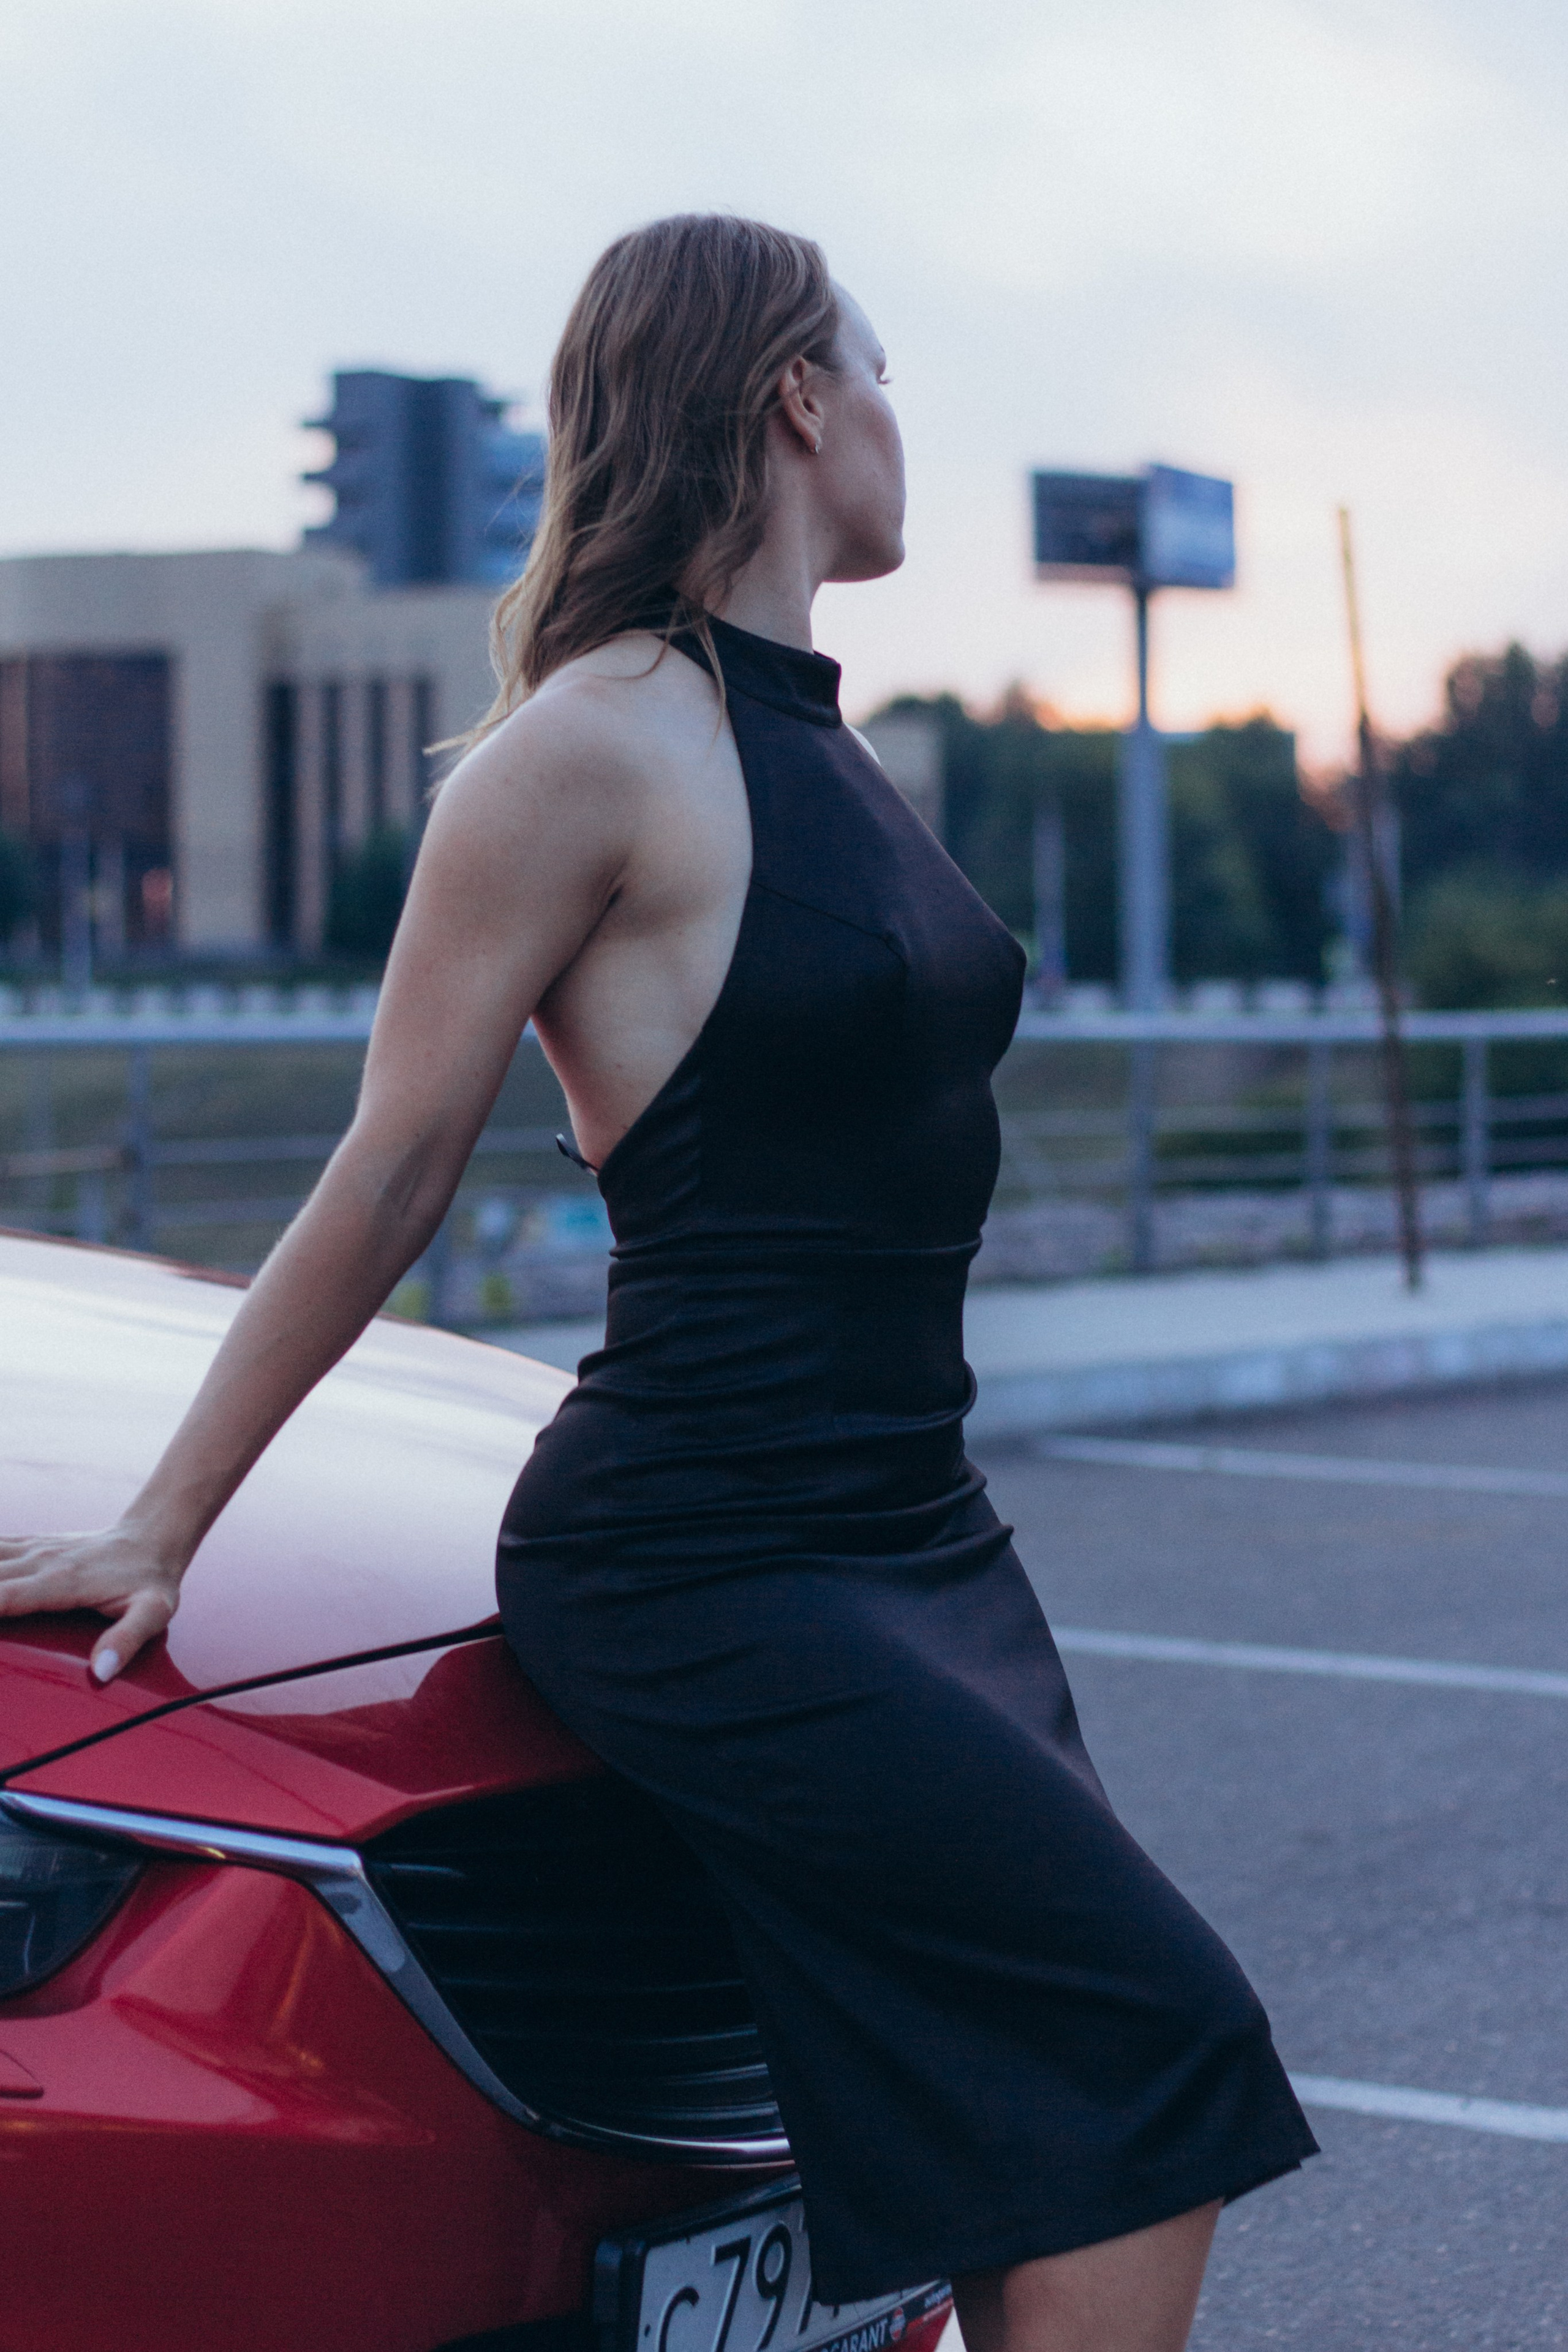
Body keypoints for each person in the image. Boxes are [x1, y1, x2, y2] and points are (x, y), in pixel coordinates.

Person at [0, 214, 1314, 2351]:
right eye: (883, 374)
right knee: (1158, 2051)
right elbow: (393, 1157)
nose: (903, 429)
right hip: (715, 1548)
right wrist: (165, 1515)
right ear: (801, 394)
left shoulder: (814, 739)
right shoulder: (591, 746)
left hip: (916, 1537)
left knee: (1051, 2108)